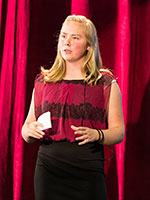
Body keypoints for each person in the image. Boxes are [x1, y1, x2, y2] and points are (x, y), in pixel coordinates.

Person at [22, 15, 125, 200]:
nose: (66, 42)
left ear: (89, 45)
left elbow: (119, 132)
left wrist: (97, 135)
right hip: (48, 170)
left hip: (88, 171)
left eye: (75, 37)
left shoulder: (105, 83)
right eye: (63, 36)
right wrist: (30, 131)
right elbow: (26, 128)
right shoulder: (43, 81)